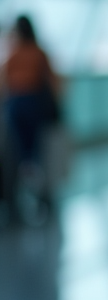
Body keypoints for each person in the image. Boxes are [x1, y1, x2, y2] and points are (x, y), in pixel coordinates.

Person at [2, 15, 60, 222]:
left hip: (15, 108)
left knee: (18, 153)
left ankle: (19, 193)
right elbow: (53, 82)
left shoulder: (14, 54)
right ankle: (41, 192)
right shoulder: (39, 54)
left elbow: (4, 84)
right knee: (37, 152)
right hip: (35, 107)